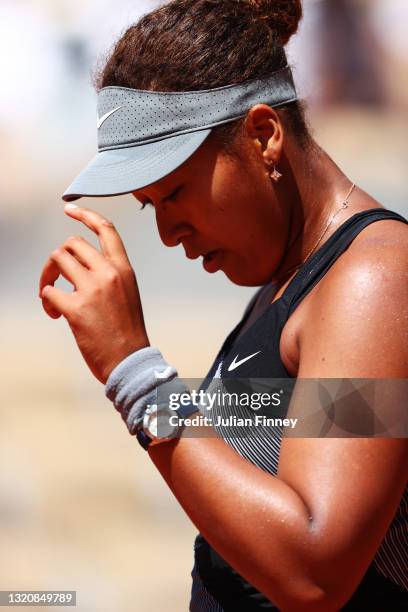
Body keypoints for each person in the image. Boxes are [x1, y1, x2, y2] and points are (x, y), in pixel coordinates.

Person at [39, 1, 408, 609]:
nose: (168, 232)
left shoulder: (373, 281)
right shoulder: (285, 283)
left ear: (263, 136)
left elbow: (315, 571)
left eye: (176, 191)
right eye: (150, 206)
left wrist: (135, 373)